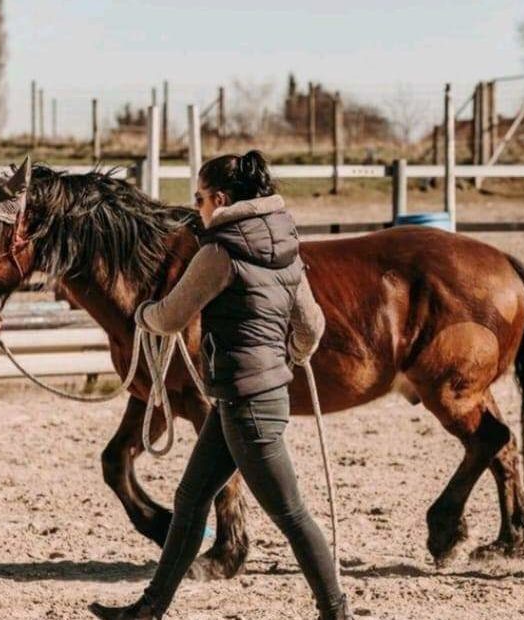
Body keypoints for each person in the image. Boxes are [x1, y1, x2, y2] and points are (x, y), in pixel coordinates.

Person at [89, 150, 353, 620]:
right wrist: (283, 357)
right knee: (190, 500)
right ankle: (150, 608)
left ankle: (337, 612)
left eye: (200, 199)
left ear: (222, 199)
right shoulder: (286, 244)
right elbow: (311, 327)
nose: (197, 209)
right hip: (251, 398)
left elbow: (171, 316)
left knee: (291, 514)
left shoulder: (219, 252)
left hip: (246, 403)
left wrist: (143, 317)